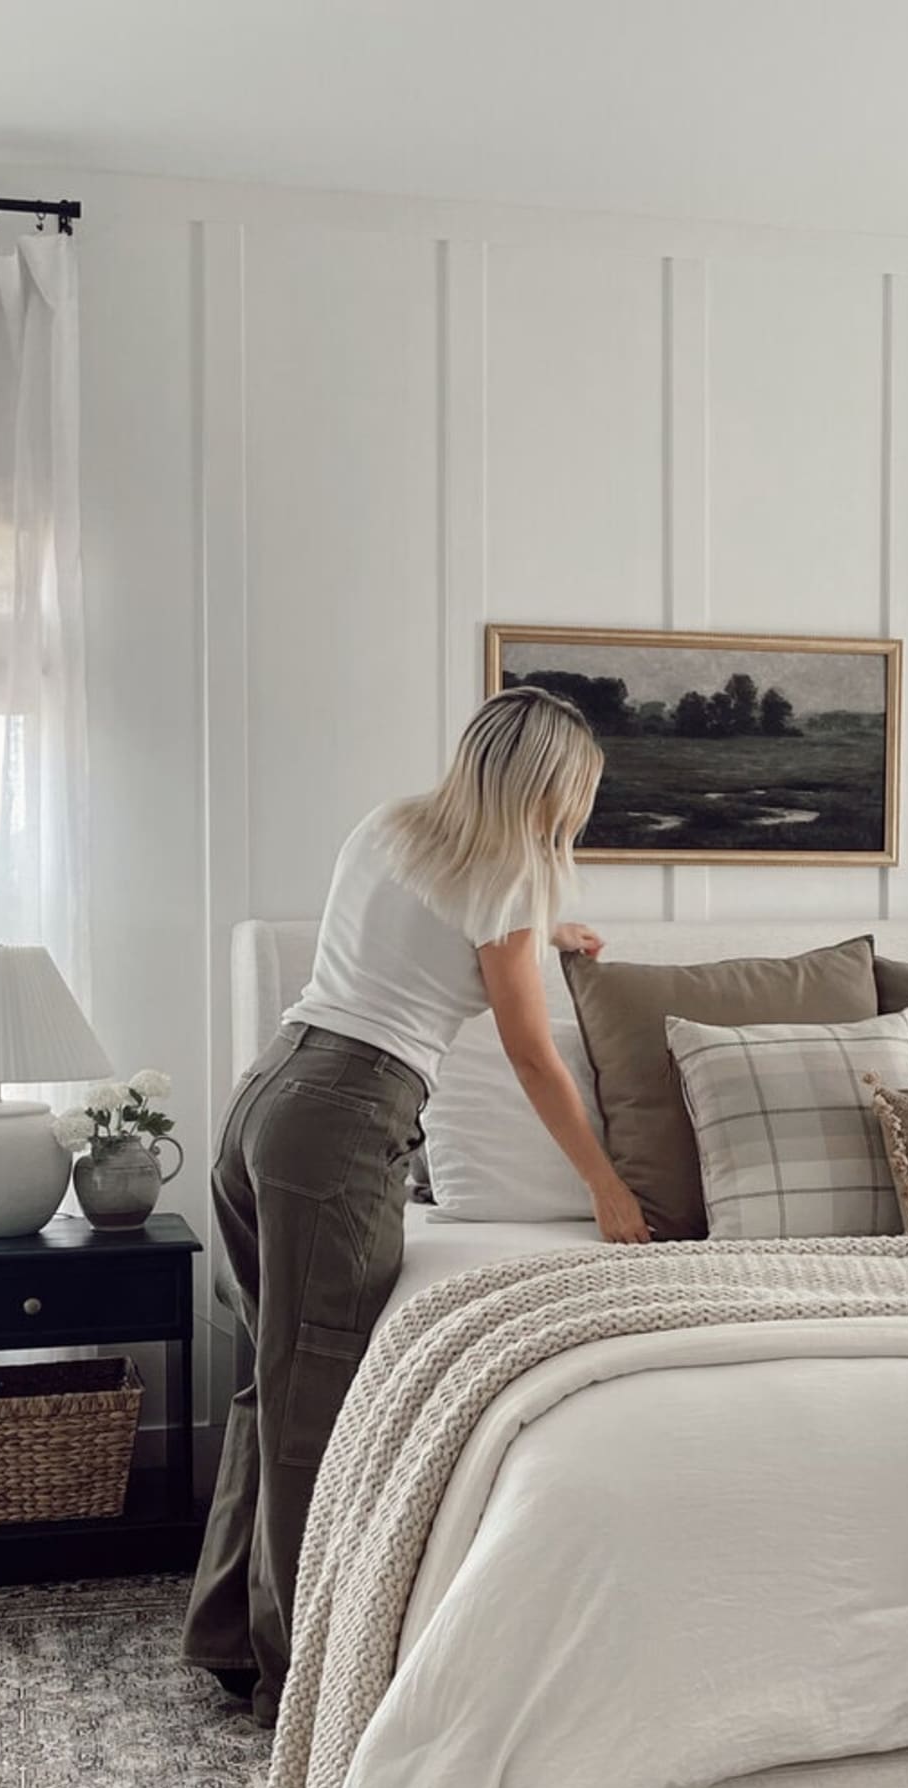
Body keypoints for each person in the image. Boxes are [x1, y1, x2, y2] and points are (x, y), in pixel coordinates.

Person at [182, 687, 650, 1723]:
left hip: (268, 1094)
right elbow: (532, 1054)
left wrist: (542, 930)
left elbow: (434, 940)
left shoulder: (392, 825)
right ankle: (301, 1679)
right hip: (342, 1121)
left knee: (272, 1381)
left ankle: (229, 1634)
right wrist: (605, 1182)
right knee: (319, 1402)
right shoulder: (509, 874)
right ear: (556, 784)